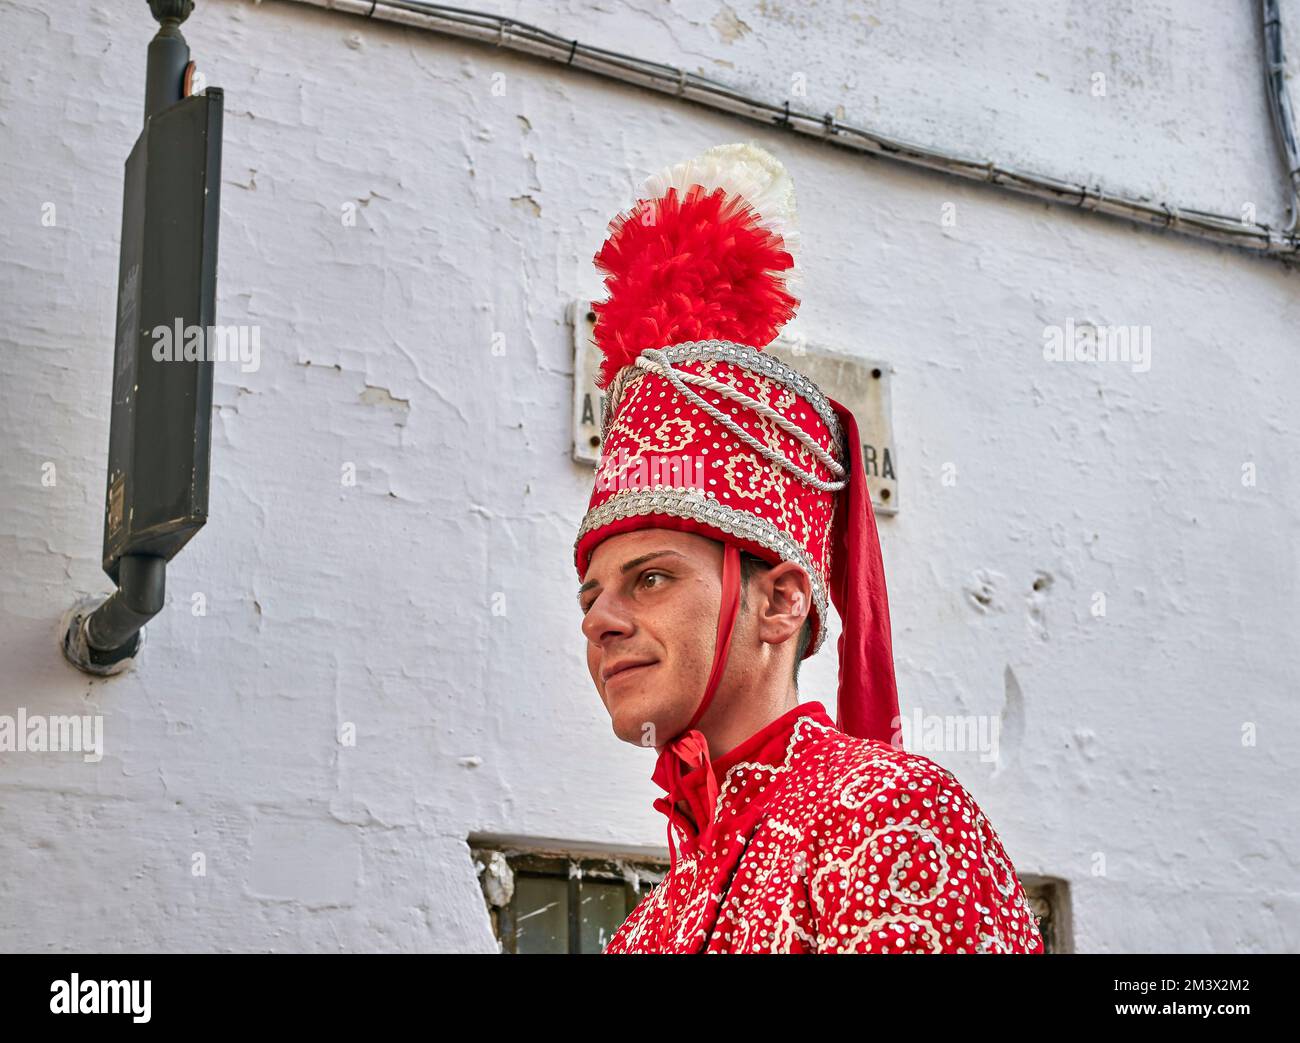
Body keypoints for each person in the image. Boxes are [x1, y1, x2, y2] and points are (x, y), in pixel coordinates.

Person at [574, 142, 1044, 954]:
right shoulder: (649, 926)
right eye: (590, 594)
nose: (601, 620)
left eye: (650, 578)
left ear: (783, 600)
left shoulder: (885, 814)